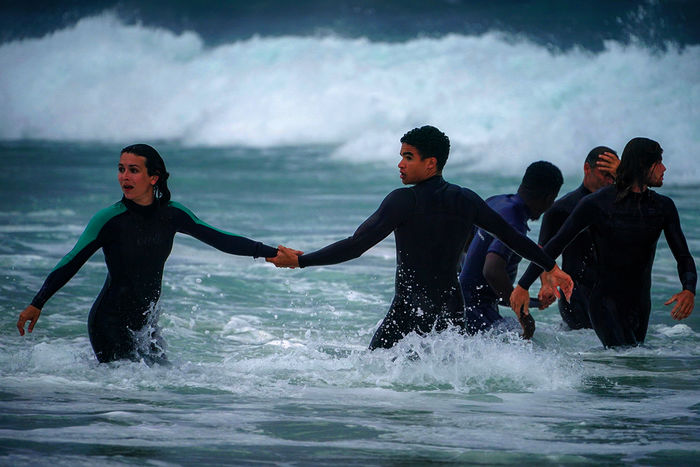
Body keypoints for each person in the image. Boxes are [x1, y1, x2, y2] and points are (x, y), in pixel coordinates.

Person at [268, 125, 573, 350]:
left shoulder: (404, 201)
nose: (400, 163)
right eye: (401, 156)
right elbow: (511, 237)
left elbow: (356, 244)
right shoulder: (465, 199)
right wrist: (550, 266)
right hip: (452, 310)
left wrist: (302, 260)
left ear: (430, 163)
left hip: (409, 308)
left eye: (408, 157)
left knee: (376, 375)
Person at [16, 144, 283, 364]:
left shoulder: (173, 214)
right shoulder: (109, 219)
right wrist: (38, 302)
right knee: (126, 398)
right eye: (121, 170)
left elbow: (219, 238)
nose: (124, 177)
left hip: (147, 324)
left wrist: (271, 253)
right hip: (109, 322)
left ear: (153, 177)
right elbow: (72, 261)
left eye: (133, 170)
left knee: (159, 391)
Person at [510, 137, 696, 348]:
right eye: (658, 162)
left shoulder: (664, 207)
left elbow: (683, 255)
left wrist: (688, 289)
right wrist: (524, 285)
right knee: (624, 358)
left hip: (640, 304)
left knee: (636, 364)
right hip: (605, 302)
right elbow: (554, 245)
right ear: (643, 167)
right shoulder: (596, 203)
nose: (664, 168)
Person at [459, 161, 563, 338]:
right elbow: (492, 270)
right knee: (532, 345)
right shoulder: (514, 221)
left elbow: (465, 246)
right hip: (477, 311)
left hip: (462, 303)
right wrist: (524, 315)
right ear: (548, 198)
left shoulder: (496, 202)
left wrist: (534, 299)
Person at [537, 147, 619, 330]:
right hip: (576, 296)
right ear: (586, 168)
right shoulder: (560, 209)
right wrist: (546, 284)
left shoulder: (623, 207)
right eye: (604, 174)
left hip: (614, 295)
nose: (609, 181)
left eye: (613, 175)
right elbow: (542, 252)